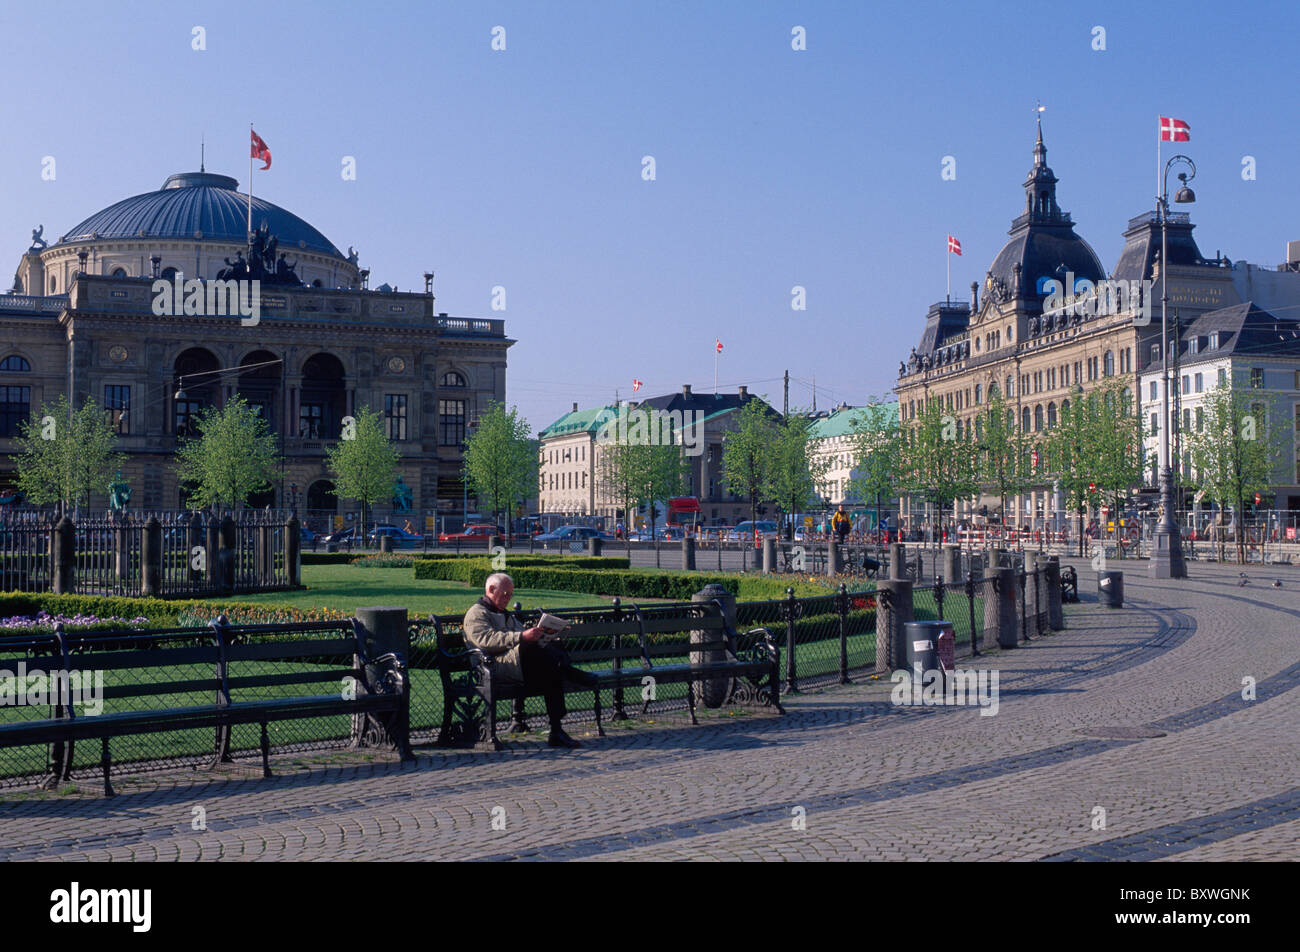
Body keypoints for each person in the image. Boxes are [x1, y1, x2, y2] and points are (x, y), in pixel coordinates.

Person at [462, 572, 596, 748]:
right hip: (491, 667)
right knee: (546, 662)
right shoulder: (476, 613)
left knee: (552, 661)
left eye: (510, 595)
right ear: (491, 589)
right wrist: (522, 636)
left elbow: (520, 635)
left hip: (517, 664)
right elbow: (486, 641)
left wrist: (545, 636)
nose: (508, 598)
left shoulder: (505, 613)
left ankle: (557, 730)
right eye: (505, 594)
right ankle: (569, 680)